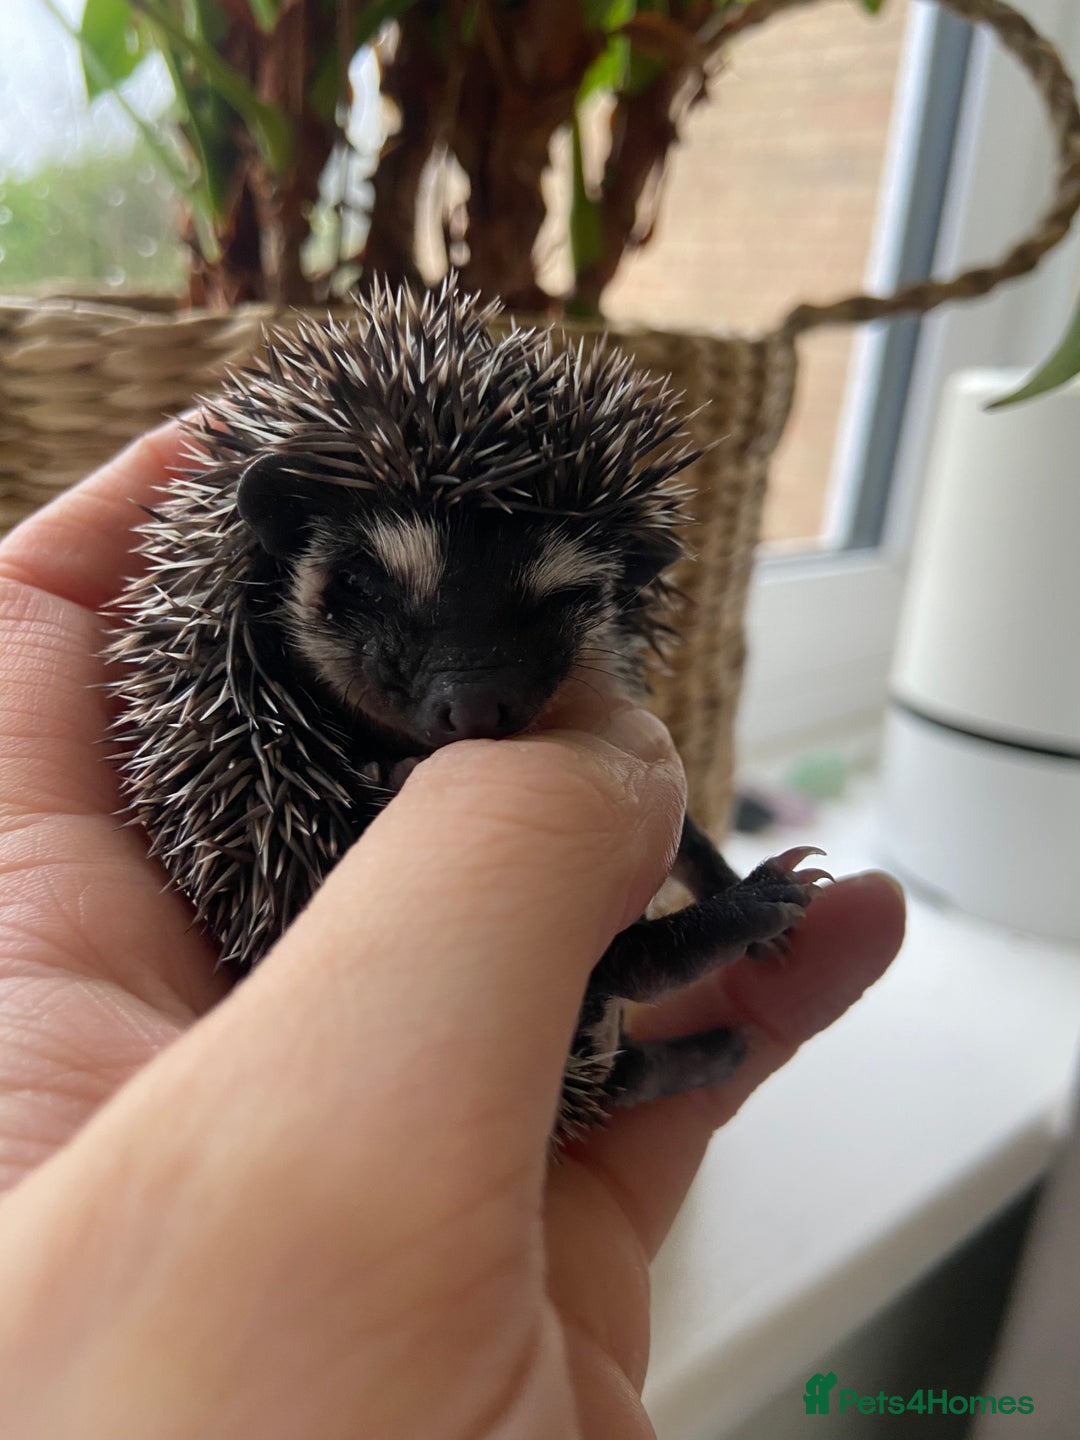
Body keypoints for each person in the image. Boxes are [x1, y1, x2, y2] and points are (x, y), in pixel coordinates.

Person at [0, 421, 905, 1439]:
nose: (469, 698)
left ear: (615, 592)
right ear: (284, 546)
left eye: (550, 608)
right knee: (497, 924)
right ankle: (630, 1022)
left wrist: (711, 875)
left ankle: (619, 1059)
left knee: (563, 893)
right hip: (318, 933)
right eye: (371, 594)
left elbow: (668, 824)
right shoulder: (249, 707)